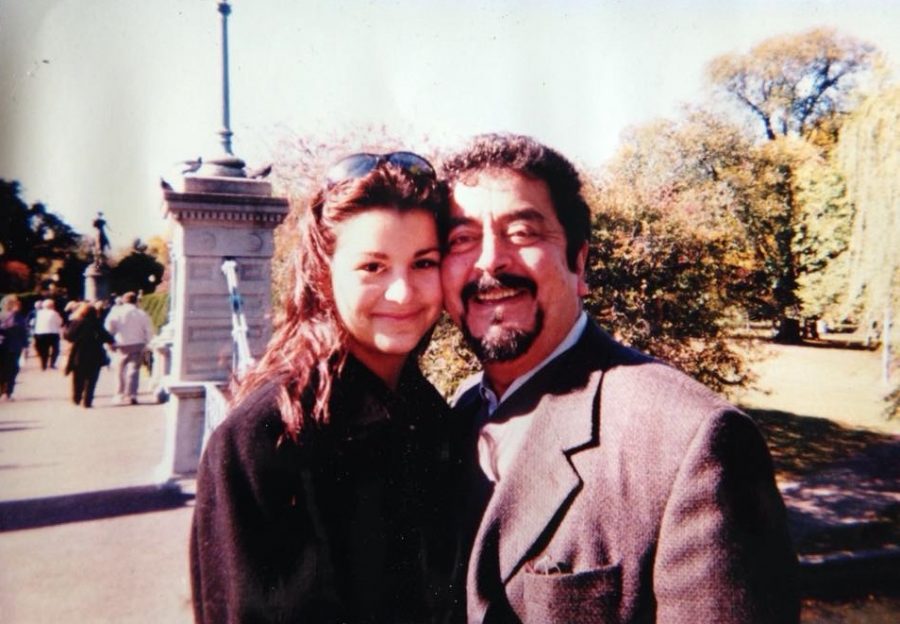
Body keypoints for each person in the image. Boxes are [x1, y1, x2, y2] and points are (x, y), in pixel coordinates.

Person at [439, 134, 799, 623]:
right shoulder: (454, 414)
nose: (489, 260)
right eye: (461, 239)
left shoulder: (688, 439)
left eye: (522, 232)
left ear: (580, 263)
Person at [190, 152, 463, 623]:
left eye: (423, 263)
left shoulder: (432, 415)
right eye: (373, 267)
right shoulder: (264, 438)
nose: (402, 293)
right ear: (324, 274)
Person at [103, 291, 153, 405]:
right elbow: (148, 330)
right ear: (136, 301)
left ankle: (119, 394)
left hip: (120, 344)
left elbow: (109, 327)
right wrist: (148, 343)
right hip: (137, 343)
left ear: (124, 300)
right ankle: (132, 394)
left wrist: (108, 343)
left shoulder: (116, 312)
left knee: (119, 370)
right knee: (133, 370)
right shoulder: (141, 313)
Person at [64, 302, 115, 408]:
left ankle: (76, 397)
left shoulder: (76, 322)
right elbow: (107, 337)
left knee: (78, 378)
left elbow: (69, 336)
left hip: (78, 353)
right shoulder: (97, 323)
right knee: (92, 379)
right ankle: (87, 401)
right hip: (95, 354)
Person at [0, 295, 29, 399]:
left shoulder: (19, 316)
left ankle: (8, 391)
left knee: (13, 369)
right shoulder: (3, 315)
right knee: (4, 369)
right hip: (4, 346)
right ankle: (4, 390)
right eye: (15, 302)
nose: (18, 304)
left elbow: (24, 332)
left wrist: (25, 347)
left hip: (14, 347)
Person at [33, 298, 63, 370]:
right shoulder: (54, 313)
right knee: (55, 349)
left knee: (43, 350)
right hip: (53, 333)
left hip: (40, 333)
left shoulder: (38, 313)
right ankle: (52, 364)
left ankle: (43, 364)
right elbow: (60, 322)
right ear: (52, 305)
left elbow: (34, 323)